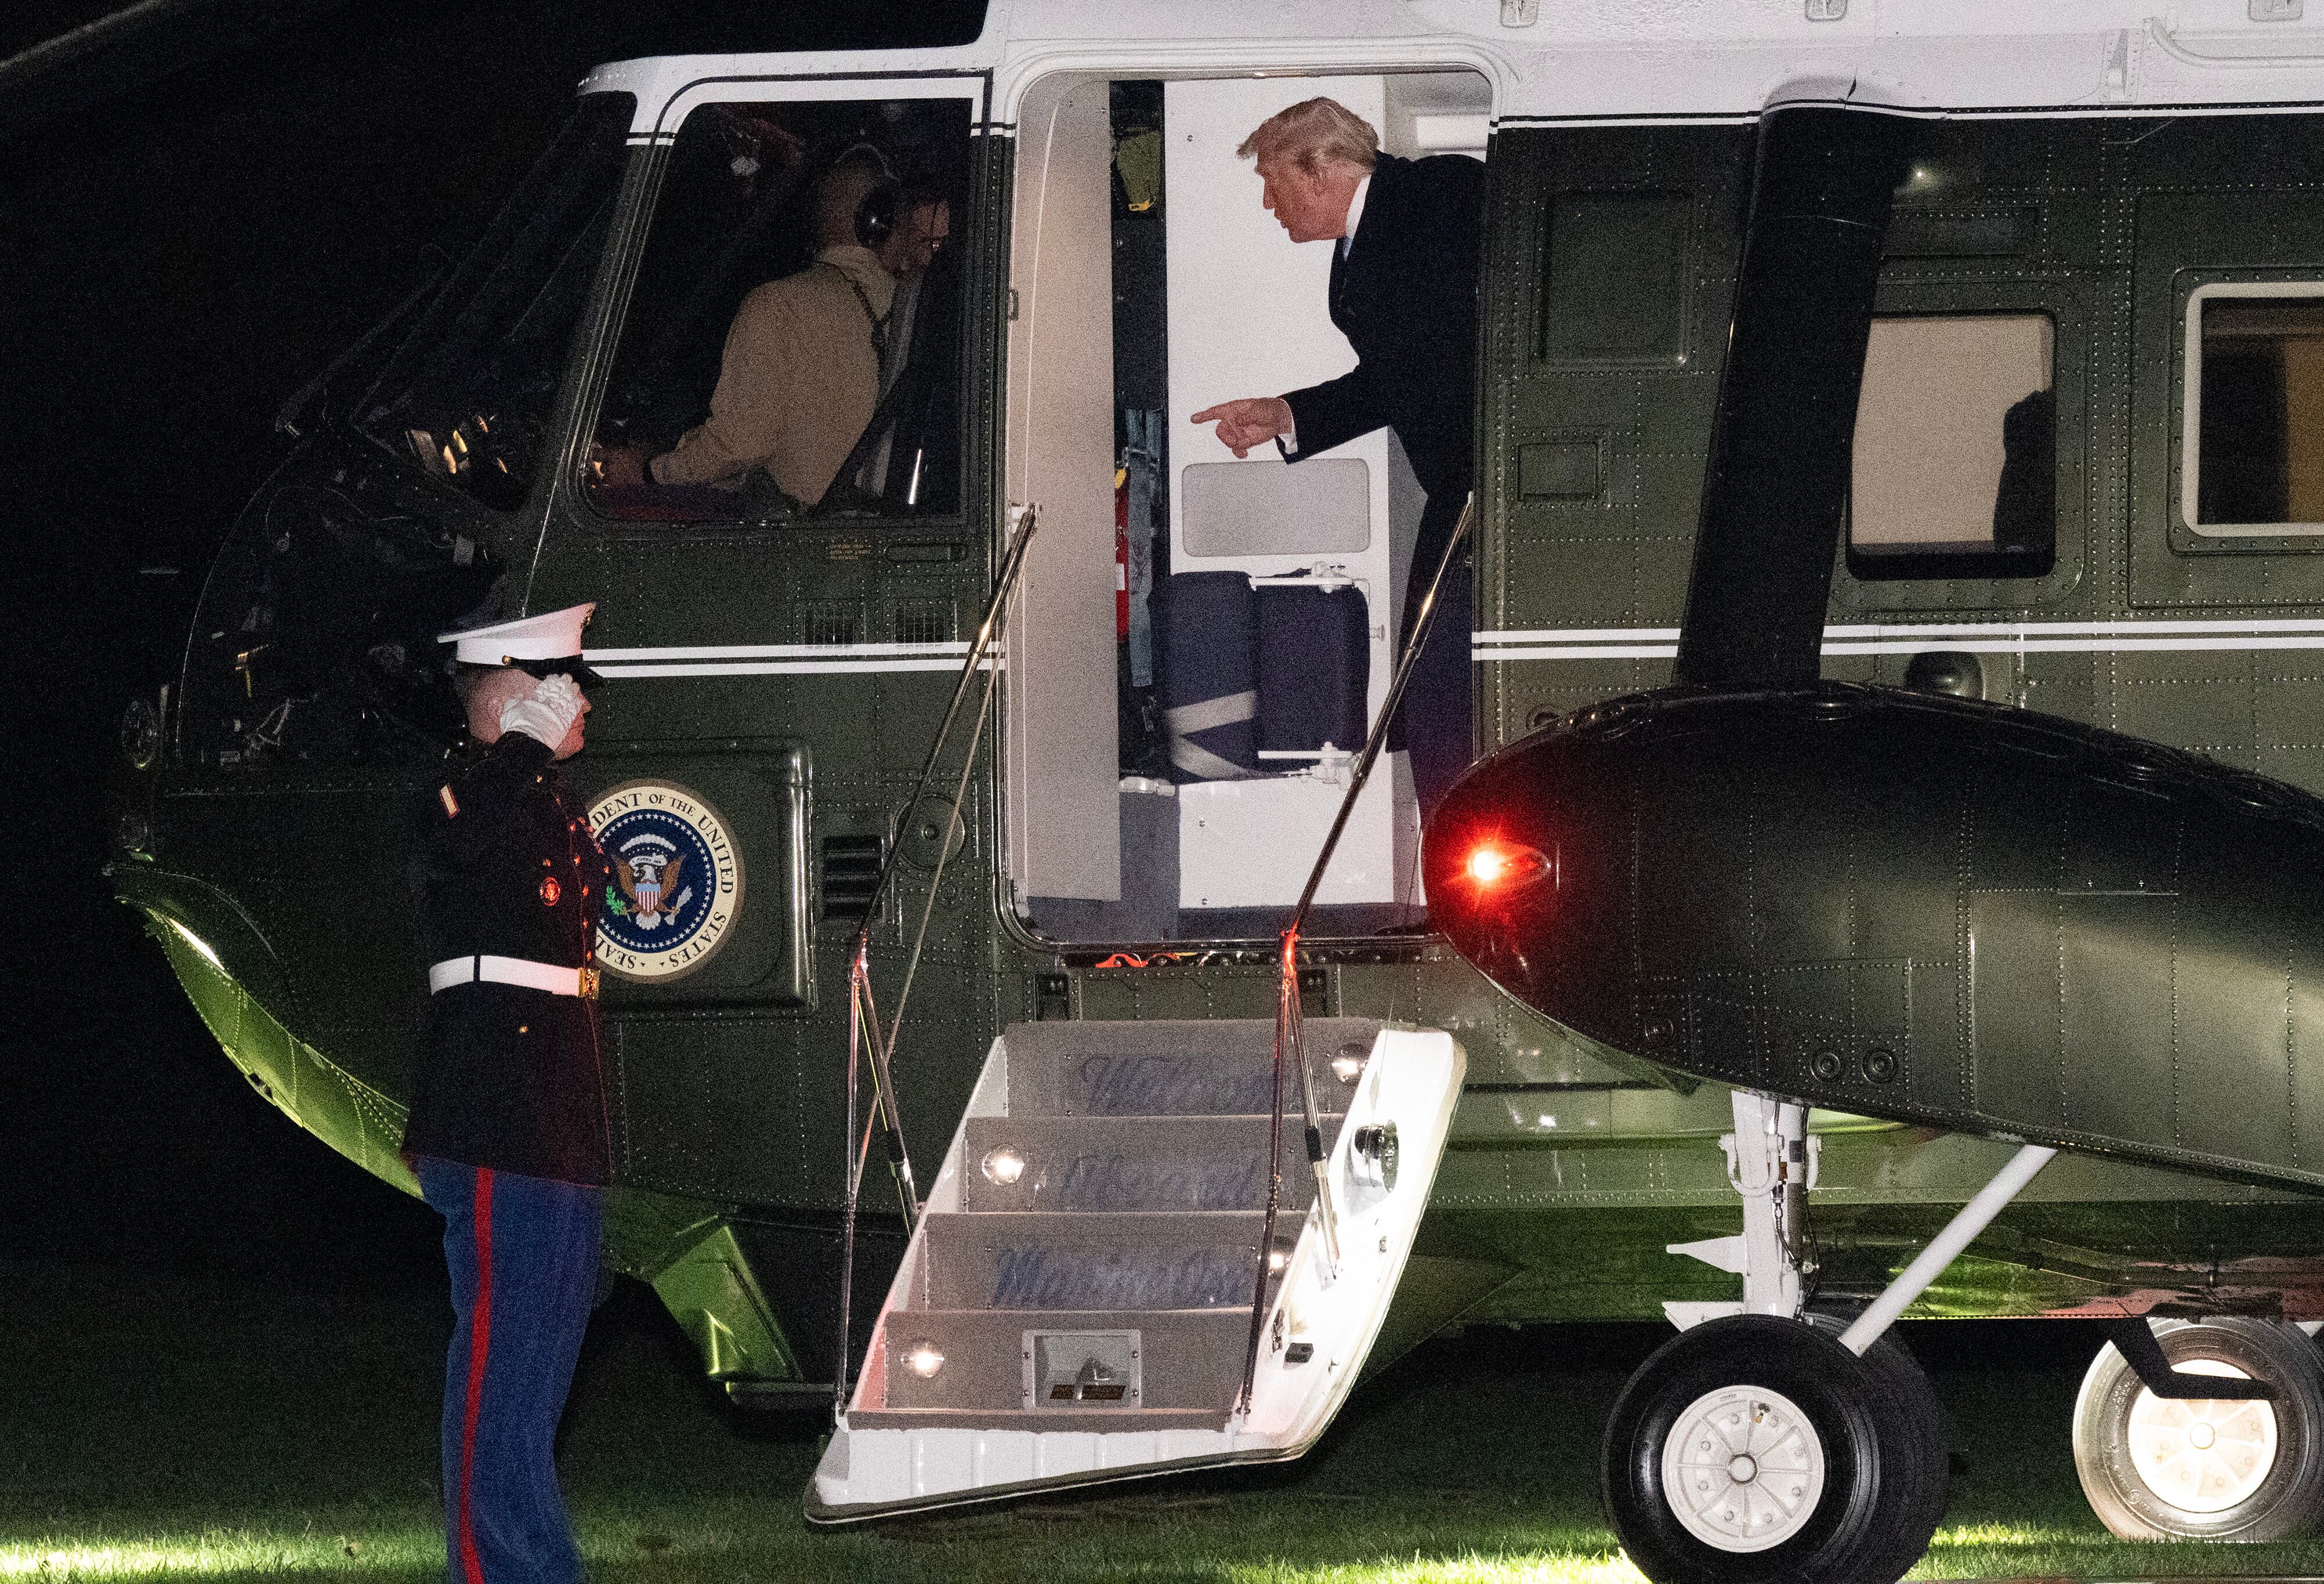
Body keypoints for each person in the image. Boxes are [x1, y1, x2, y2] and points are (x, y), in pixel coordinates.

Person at [1190, 97, 1484, 814]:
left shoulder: (1436, 194)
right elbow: (1399, 376)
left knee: (1443, 690)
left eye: (1271, 181)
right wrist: (1288, 415)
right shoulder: (1362, 242)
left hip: (1491, 490)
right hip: (1462, 494)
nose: (1267, 203)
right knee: (1434, 694)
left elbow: (1440, 353)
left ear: (1319, 169)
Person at [403, 601, 614, 1584]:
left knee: (535, 1371)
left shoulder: (546, 804)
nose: (585, 711)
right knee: (500, 1366)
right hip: (494, 1109)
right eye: (565, 690)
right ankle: (497, 1570)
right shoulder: (464, 792)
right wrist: (518, 753)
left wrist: (534, 759)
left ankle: (533, 1565)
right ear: (516, 697)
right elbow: (456, 845)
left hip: (555, 1112)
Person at [596, 155, 951, 510]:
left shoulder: (779, 305)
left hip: (804, 543)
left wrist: (648, 472)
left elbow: (740, 445)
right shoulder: (924, 315)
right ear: (881, 221)